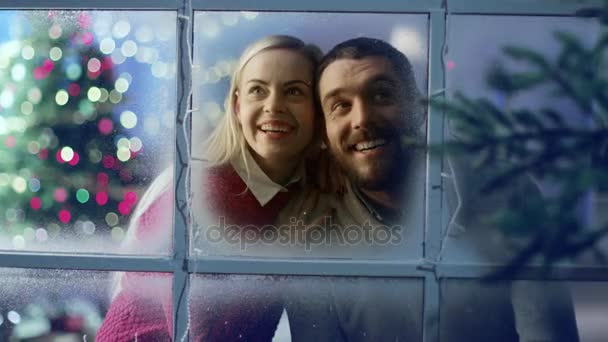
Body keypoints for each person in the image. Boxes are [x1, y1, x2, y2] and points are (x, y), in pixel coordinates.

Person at [280, 37, 579, 341]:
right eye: (341, 106)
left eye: (382, 95)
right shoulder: (311, 236)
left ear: (420, 109)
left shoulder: (504, 190)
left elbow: (548, 331)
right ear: (324, 134)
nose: (362, 119)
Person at [97, 34, 323, 342]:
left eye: (294, 91)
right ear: (237, 106)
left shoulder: (304, 193)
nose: (274, 106)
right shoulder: (200, 197)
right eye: (258, 90)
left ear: (318, 109)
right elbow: (206, 335)